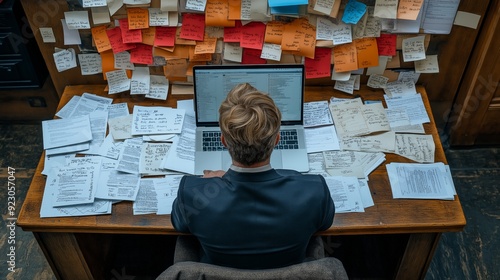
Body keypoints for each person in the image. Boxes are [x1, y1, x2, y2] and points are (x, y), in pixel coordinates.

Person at [170, 83, 335, 269]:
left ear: (223, 141)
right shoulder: (314, 191)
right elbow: (325, 223)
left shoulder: (193, 194)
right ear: (277, 140)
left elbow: (179, 224)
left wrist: (214, 182)